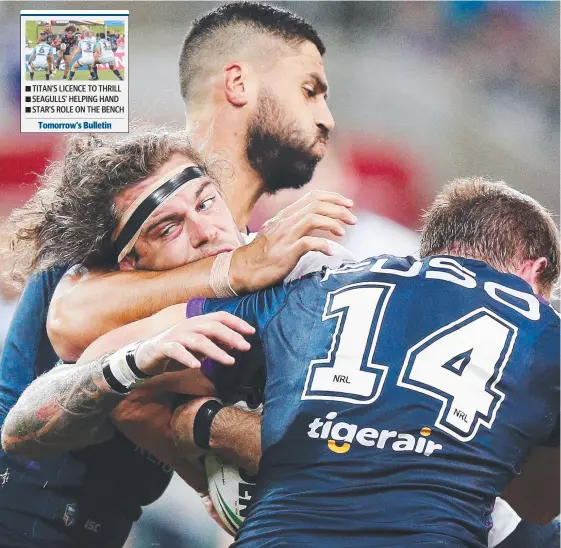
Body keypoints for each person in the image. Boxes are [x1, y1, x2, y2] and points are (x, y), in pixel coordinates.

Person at [73, 177, 558, 547]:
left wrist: (204, 428)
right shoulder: (542, 329)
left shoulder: (314, 289)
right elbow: (537, 503)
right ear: (535, 272)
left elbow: (110, 368)